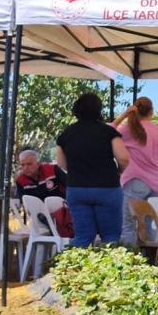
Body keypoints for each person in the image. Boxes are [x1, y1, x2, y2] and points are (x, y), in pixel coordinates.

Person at [56, 93, 130, 247]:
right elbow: (123, 158)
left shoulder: (66, 134)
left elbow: (62, 164)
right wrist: (120, 171)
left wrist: (79, 169)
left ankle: (78, 269)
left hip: (77, 188)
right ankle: (108, 270)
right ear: (99, 110)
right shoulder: (109, 132)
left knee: (83, 237)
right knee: (110, 237)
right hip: (107, 188)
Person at [110, 97, 158, 246]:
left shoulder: (126, 129)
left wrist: (124, 115)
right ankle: (150, 265)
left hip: (133, 181)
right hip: (155, 185)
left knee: (128, 226)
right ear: (151, 112)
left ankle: (129, 265)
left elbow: (108, 131)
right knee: (149, 226)